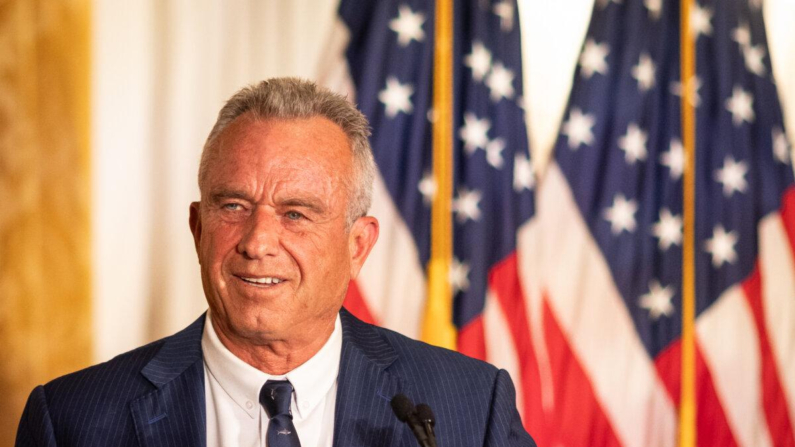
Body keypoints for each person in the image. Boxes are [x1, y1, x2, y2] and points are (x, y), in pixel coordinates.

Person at [16, 78, 536, 447]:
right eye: (234, 206)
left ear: (358, 245)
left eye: (296, 213)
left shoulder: (469, 408)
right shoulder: (72, 421)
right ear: (198, 228)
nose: (258, 241)